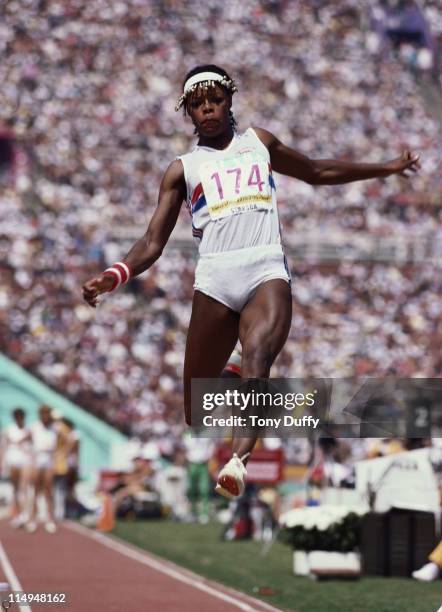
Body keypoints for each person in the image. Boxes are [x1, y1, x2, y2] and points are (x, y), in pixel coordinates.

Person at [82, 64, 421, 499]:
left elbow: (316, 171)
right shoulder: (182, 169)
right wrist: (113, 277)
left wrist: (385, 168)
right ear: (187, 112)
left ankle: (239, 460)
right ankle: (232, 372)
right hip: (216, 278)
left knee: (259, 360)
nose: (208, 109)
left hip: (265, 268)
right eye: (198, 104)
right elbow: (152, 242)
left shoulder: (258, 143)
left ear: (230, 100)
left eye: (216, 100)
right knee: (197, 409)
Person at [26, 405, 58, 534]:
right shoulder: (34, 427)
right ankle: (32, 519)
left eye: (47, 413)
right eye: (43, 413)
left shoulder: (55, 428)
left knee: (49, 490)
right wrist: (31, 459)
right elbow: (27, 441)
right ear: (40, 414)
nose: (45, 416)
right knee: (36, 490)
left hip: (49, 459)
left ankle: (49, 519)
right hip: (37, 459)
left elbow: (65, 441)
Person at [1, 409, 32, 528]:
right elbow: (4, 446)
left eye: (21, 416)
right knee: (15, 489)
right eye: (17, 416)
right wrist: (2, 462)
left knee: (23, 488)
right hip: (12, 460)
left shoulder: (28, 430)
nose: (19, 419)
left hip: (24, 460)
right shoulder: (9, 429)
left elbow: (32, 446)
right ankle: (17, 514)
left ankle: (25, 515)